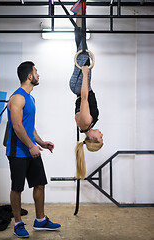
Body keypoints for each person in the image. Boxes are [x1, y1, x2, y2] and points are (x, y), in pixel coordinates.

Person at [6, 61, 61, 238]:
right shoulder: (17, 97)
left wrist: (41, 143)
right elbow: (16, 126)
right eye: (36, 72)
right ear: (29, 76)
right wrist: (31, 146)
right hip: (18, 151)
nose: (38, 75)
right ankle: (18, 224)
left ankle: (40, 220)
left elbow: (29, 127)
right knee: (17, 188)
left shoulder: (30, 98)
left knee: (39, 183)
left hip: (32, 149)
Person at [70, 0, 103, 179]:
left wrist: (84, 73)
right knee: (81, 46)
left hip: (81, 85)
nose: (101, 134)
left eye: (100, 138)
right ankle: (80, 13)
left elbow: (83, 98)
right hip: (82, 85)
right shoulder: (89, 124)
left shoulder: (85, 123)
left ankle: (79, 12)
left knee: (82, 48)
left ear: (92, 139)